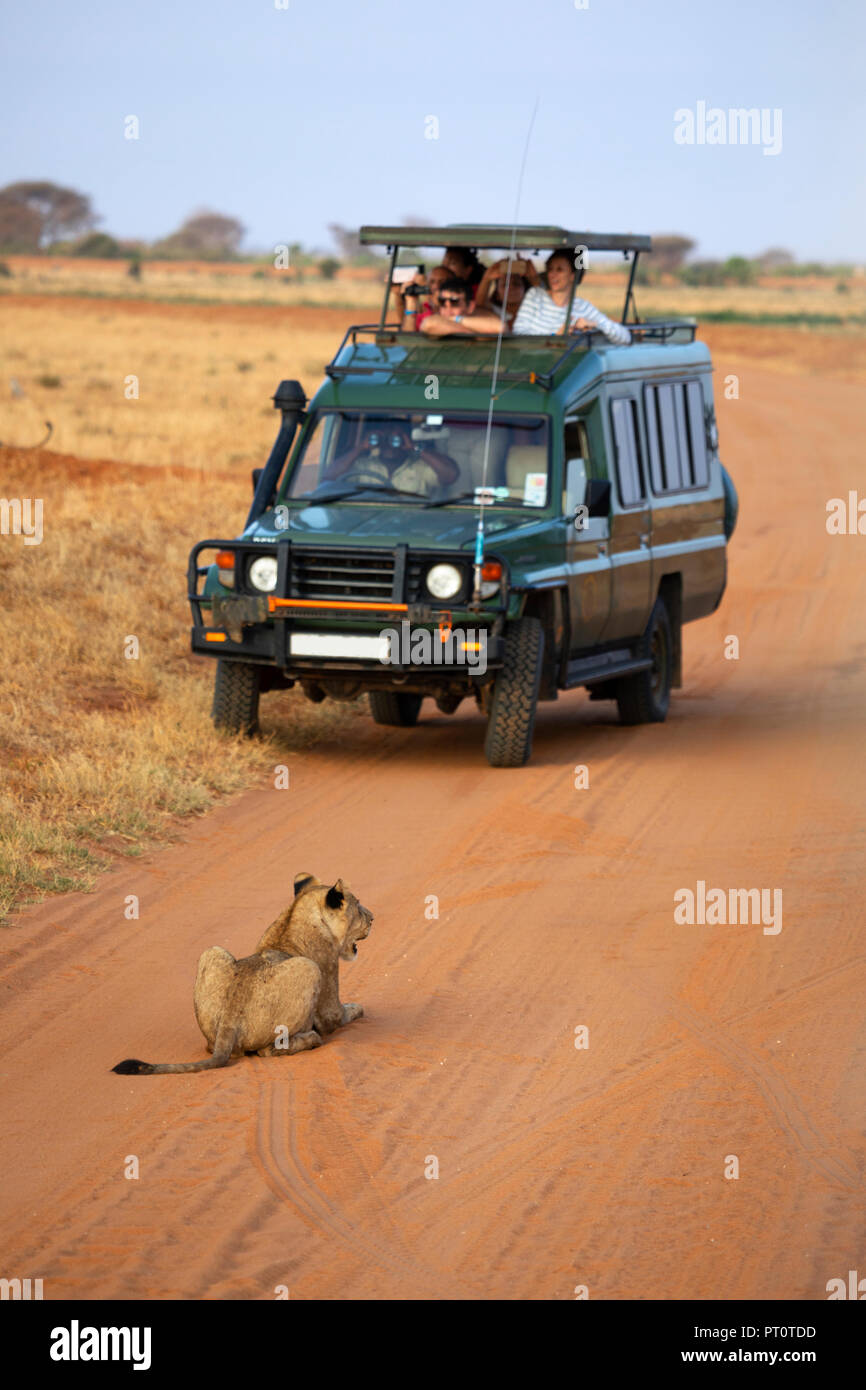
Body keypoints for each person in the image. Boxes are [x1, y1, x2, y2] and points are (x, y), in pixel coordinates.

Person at [512, 249, 632, 344]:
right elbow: (518, 334)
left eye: (559, 270)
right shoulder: (535, 296)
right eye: (550, 269)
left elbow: (625, 337)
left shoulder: (582, 307)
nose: (552, 275)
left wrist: (595, 324)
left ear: (573, 276)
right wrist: (555, 337)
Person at [322, 423, 459, 497]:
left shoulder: (421, 467)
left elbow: (451, 475)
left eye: (396, 439)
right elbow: (328, 478)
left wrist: (415, 448)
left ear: (406, 440)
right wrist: (360, 448)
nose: (389, 445)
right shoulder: (362, 465)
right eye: (384, 439)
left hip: (413, 528)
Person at [419, 278, 505, 337]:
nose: (448, 310)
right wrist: (470, 332)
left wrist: (456, 319)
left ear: (470, 306)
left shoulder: (479, 318)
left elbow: (500, 327)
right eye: (442, 302)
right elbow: (428, 324)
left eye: (454, 302)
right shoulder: (436, 319)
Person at [474, 257, 537, 328]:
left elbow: (545, 300)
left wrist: (534, 278)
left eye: (516, 283)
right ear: (497, 294)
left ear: (525, 291)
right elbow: (480, 305)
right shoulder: (493, 312)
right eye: (504, 285)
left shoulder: (535, 311)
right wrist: (486, 278)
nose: (510, 288)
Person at [397, 264, 452, 331]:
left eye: (442, 282)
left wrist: (426, 287)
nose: (436, 286)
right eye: (432, 282)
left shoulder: (456, 307)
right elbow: (408, 337)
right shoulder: (425, 309)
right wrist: (411, 301)